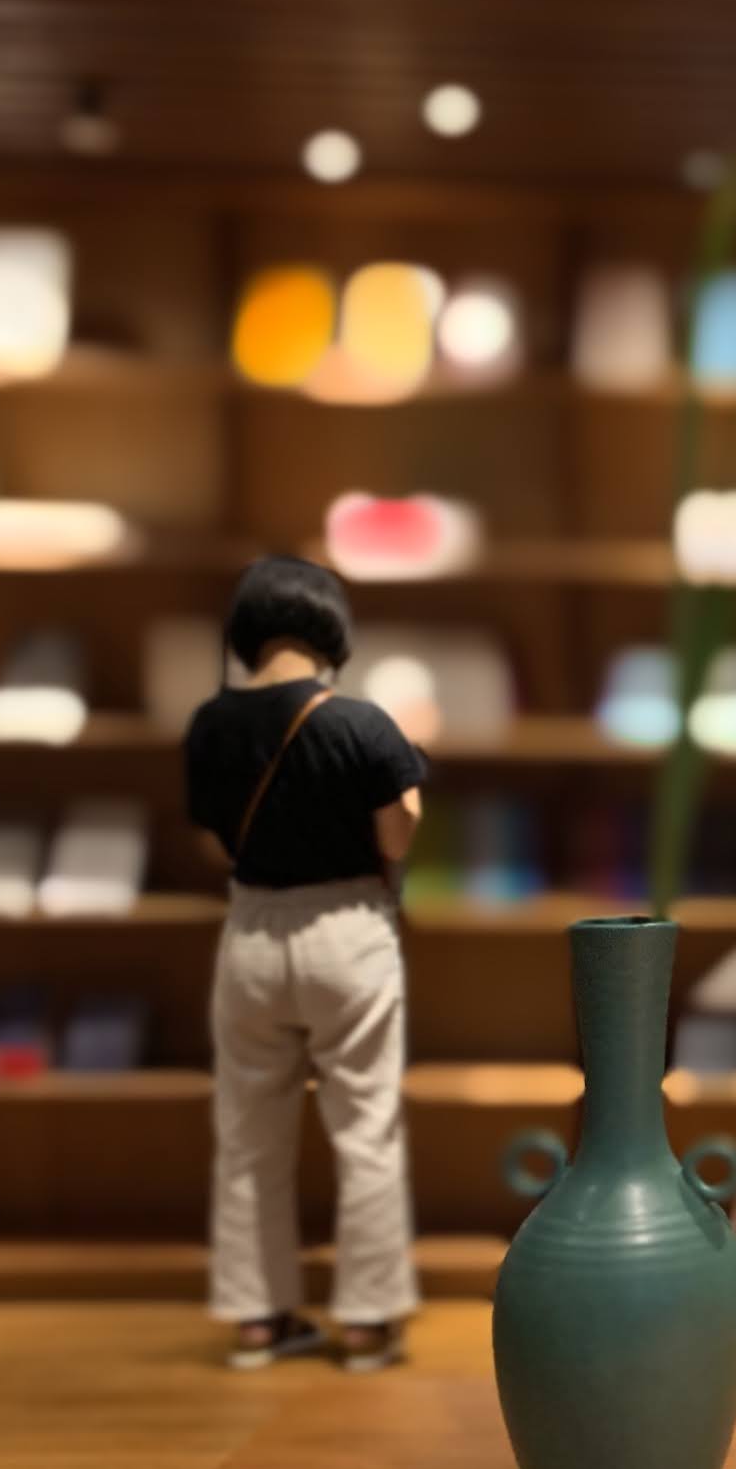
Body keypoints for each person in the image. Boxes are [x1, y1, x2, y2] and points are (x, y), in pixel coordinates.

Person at [182, 556, 428, 1371]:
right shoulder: (359, 723)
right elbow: (399, 831)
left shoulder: (209, 725)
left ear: (246, 633)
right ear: (331, 631)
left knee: (248, 1133)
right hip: (346, 930)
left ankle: (257, 1318)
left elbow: (210, 839)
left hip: (252, 931)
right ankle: (366, 1322)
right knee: (366, 1128)